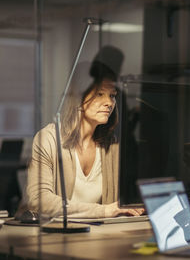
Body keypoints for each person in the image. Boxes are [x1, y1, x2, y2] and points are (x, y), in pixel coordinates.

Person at [22, 46, 144, 218]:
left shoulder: (110, 144)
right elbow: (39, 200)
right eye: (100, 94)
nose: (109, 102)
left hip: (96, 234)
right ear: (78, 97)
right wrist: (102, 211)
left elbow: (115, 204)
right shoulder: (49, 139)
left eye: (112, 95)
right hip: (54, 234)